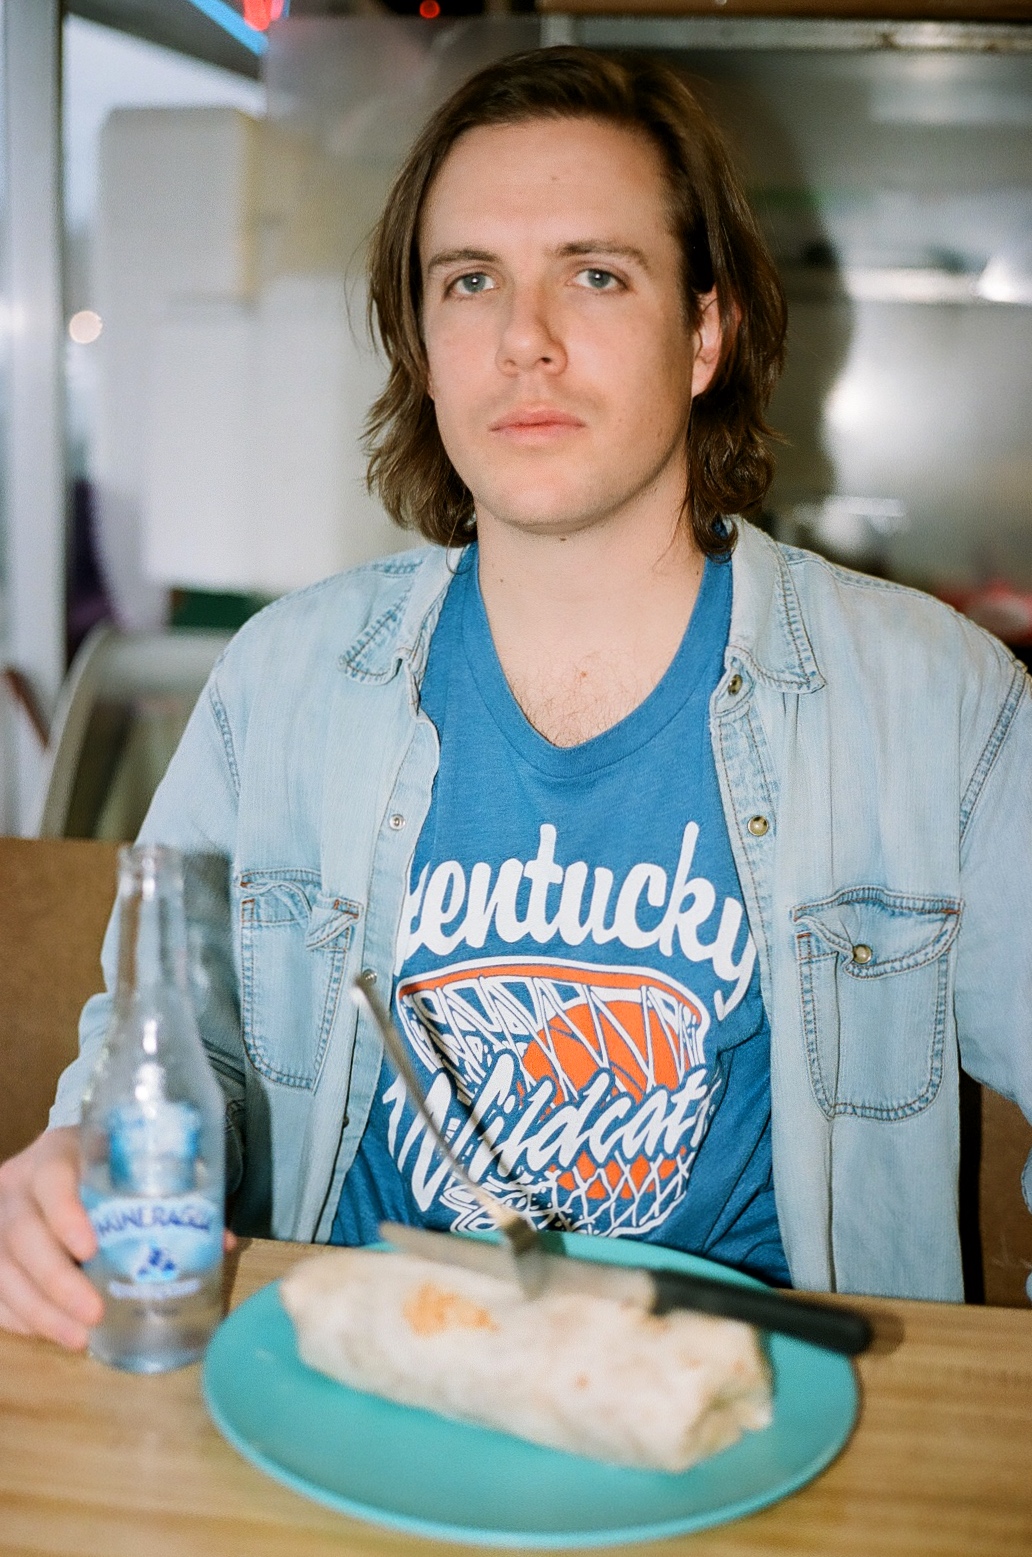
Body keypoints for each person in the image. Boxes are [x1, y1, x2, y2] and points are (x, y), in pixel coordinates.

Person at [2, 46, 1030, 1351]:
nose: (523, 340)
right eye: (470, 280)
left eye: (595, 275)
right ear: (423, 342)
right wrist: (75, 1156)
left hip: (750, 1427)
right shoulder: (278, 685)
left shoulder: (938, 707)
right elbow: (149, 1053)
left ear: (706, 329)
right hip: (350, 1389)